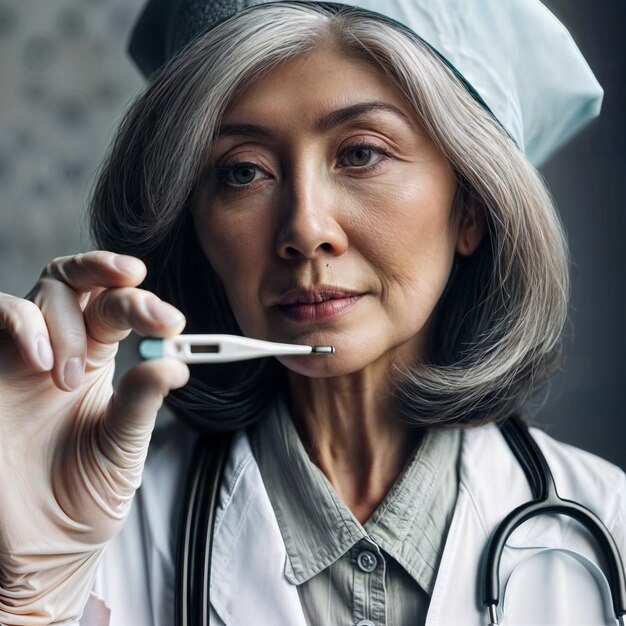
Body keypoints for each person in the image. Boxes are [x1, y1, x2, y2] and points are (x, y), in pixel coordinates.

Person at [0, 1, 624, 625]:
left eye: (361, 154)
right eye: (243, 171)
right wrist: (25, 598)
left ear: (471, 207)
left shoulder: (611, 529)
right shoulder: (87, 534)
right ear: (196, 224)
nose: (304, 228)